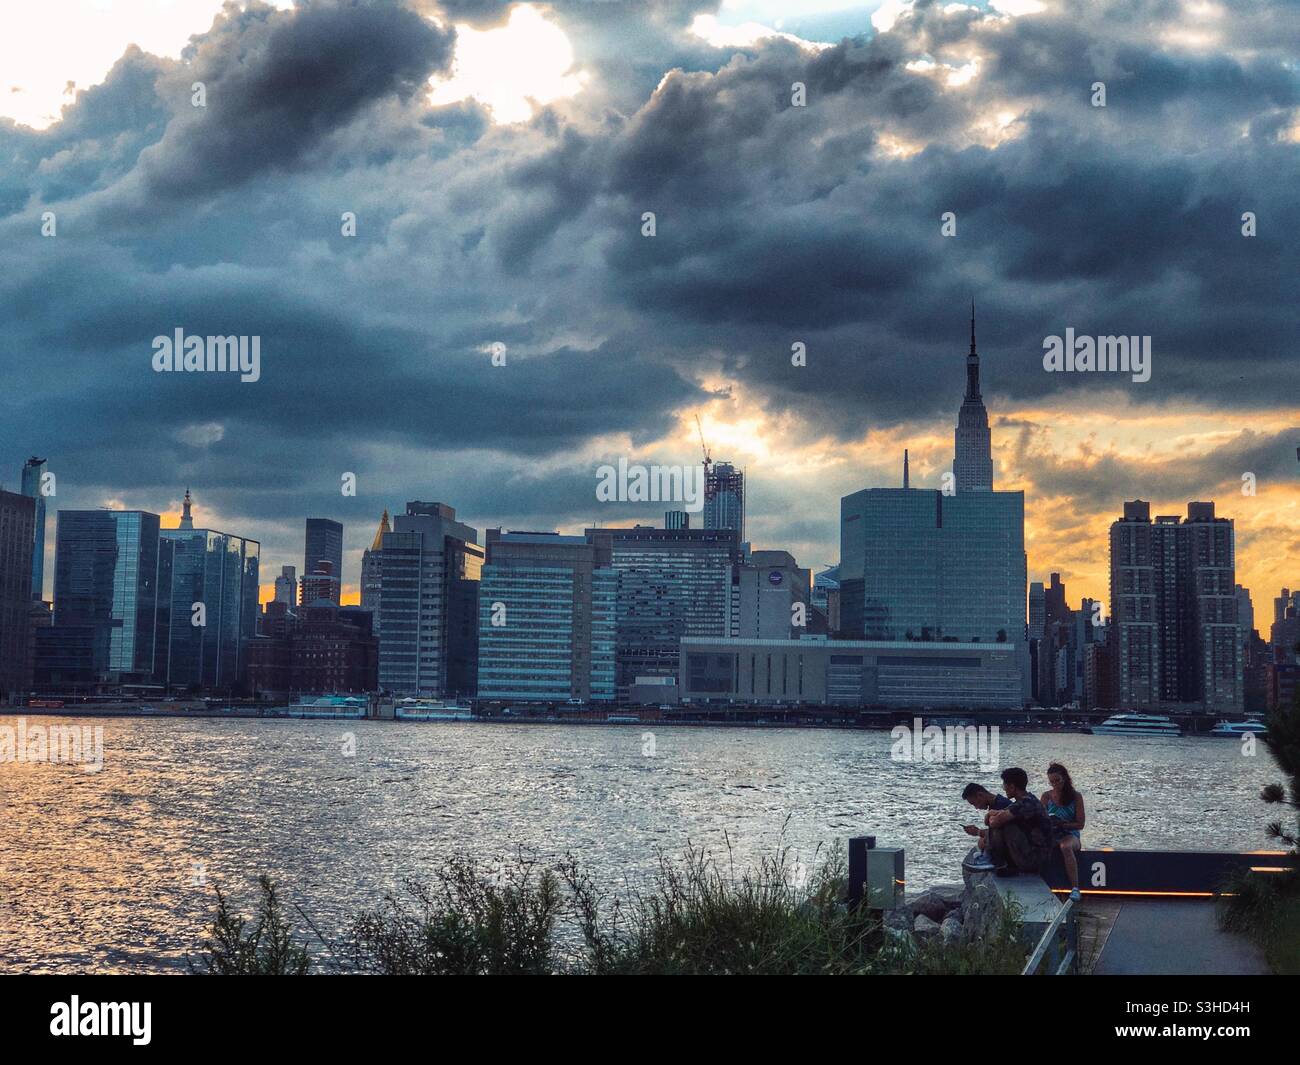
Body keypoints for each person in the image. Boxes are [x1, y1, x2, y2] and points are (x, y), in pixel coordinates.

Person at [983, 767, 1054, 877]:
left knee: (1005, 825)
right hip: (1030, 853)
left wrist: (992, 814)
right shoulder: (1023, 801)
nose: (1003, 788)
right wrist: (992, 813)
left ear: (1012, 786)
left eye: (1004, 785)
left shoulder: (1027, 803)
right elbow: (993, 818)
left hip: (1035, 859)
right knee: (1002, 821)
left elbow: (994, 822)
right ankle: (992, 860)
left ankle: (996, 862)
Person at [1042, 762, 1086, 901]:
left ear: (1065, 779)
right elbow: (1039, 819)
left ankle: (1075, 888)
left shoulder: (1076, 796)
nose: (1055, 785)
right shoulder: (1046, 796)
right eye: (1052, 782)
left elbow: (1080, 824)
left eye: (1058, 781)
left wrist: (1063, 825)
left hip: (1070, 834)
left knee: (1065, 847)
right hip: (1052, 833)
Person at [960, 783, 1010, 863]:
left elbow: (1000, 835)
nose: (976, 807)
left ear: (980, 795)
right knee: (981, 841)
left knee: (982, 842)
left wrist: (977, 832)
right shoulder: (997, 803)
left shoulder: (1000, 806)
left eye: (974, 803)